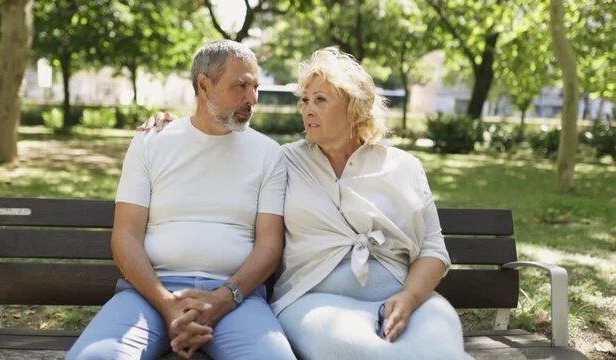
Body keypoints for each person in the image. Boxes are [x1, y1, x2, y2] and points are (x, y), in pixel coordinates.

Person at [145, 47, 471, 359]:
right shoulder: (282, 160)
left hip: (404, 299)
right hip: (314, 303)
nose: (307, 109)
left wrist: (410, 297)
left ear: (355, 107)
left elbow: (433, 249)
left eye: (320, 100)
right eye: (304, 100)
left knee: (442, 349)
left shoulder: (404, 166)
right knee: (353, 351)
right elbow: (220, 143)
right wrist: (178, 128)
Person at [66, 40, 296, 360]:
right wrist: (167, 304)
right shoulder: (152, 142)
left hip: (236, 299)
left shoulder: (269, 153)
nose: (252, 99)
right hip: (147, 296)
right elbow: (125, 235)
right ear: (204, 85)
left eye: (255, 86)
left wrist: (222, 299)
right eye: (241, 86)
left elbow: (270, 245)